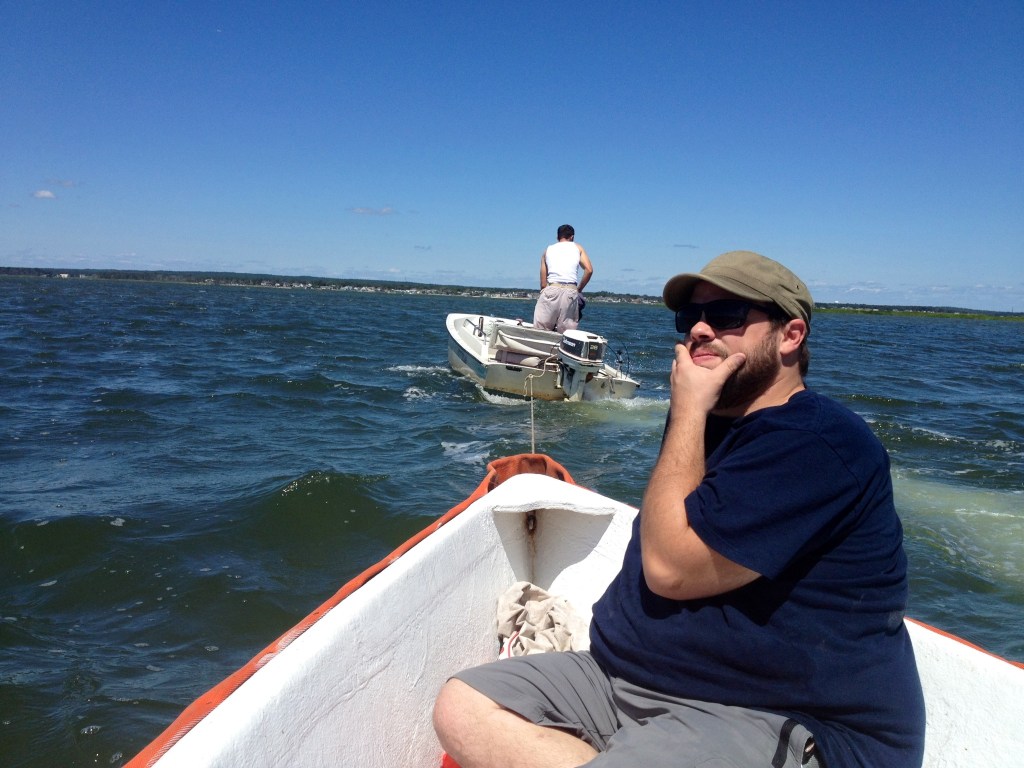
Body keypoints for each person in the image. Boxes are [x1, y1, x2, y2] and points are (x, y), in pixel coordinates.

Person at [434, 250, 926, 768]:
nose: (700, 330)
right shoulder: (709, 418)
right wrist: (692, 413)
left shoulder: (820, 443)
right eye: (689, 317)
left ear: (791, 336)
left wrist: (688, 407)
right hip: (619, 680)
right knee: (463, 707)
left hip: (759, 710)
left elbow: (670, 570)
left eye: (728, 316)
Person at [533, 224, 593, 332]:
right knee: (566, 333)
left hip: (552, 288)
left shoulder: (547, 250)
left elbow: (543, 284)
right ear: (572, 237)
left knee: (540, 330)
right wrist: (579, 290)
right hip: (571, 291)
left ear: (557, 237)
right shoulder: (578, 248)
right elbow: (589, 270)